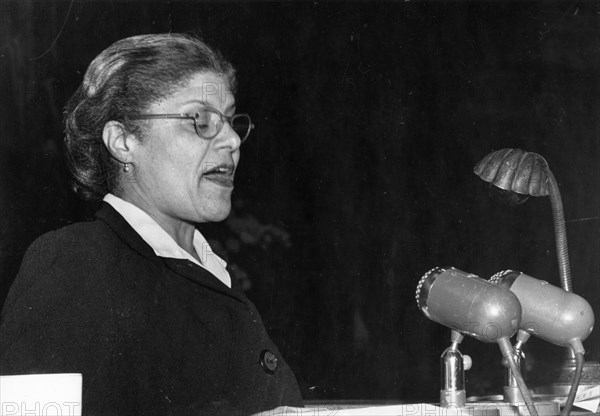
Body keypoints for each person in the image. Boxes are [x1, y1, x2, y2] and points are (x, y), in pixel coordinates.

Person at [0, 33, 303, 415]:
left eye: (229, 120)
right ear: (123, 141)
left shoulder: (211, 273)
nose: (230, 140)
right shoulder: (73, 263)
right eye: (200, 120)